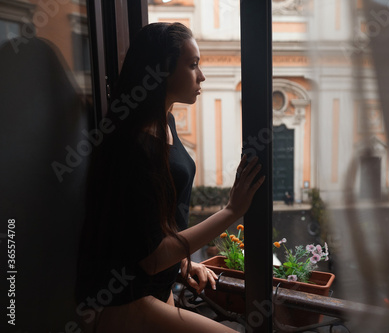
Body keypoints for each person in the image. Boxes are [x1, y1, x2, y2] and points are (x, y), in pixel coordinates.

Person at [76, 22, 264, 333]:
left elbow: (148, 229)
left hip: (154, 292)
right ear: (161, 71)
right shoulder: (132, 148)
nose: (201, 75)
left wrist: (183, 263)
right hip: (124, 301)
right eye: (192, 65)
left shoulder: (166, 121)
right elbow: (149, 258)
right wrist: (232, 211)